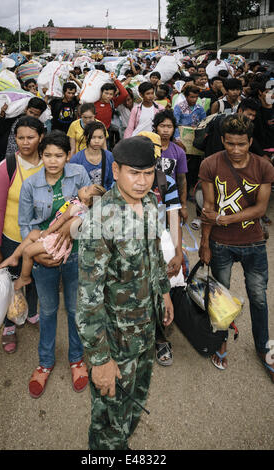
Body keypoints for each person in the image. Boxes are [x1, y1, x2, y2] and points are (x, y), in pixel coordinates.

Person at [76, 136, 174, 450]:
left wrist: (164, 292)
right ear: (116, 171)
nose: (143, 181)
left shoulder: (147, 202)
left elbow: (154, 252)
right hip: (115, 342)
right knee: (108, 419)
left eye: (148, 174)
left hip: (144, 332)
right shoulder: (100, 222)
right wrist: (101, 361)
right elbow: (87, 301)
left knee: (134, 402)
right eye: (135, 173)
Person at [198, 114, 274, 383]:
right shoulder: (210, 164)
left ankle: (263, 347)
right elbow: (208, 208)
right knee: (221, 299)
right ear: (223, 141)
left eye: (241, 144)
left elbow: (260, 209)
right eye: (230, 143)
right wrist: (205, 243)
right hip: (220, 244)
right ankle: (220, 342)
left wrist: (225, 219)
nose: (236, 150)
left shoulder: (264, 167)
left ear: (250, 142)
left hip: (253, 242)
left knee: (259, 298)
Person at [18, 130, 91, 398]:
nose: (52, 160)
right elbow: (25, 223)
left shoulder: (79, 176)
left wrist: (74, 223)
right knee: (47, 311)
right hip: (43, 257)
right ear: (41, 155)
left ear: (67, 156)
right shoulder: (31, 184)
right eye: (47, 155)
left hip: (75, 255)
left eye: (58, 155)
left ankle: (76, 359)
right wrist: (35, 253)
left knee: (74, 309)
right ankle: (45, 362)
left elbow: (90, 210)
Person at [0, 116, 44, 354]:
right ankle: (9, 325)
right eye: (20, 137)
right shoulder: (6, 167)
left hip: (41, 239)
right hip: (12, 239)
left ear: (41, 137)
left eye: (31, 137)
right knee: (12, 283)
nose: (25, 142)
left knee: (36, 280)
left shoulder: (49, 163)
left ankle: (30, 312)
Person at [0, 184, 106, 290]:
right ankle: (14, 257)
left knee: (27, 252)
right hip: (56, 236)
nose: (84, 187)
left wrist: (48, 231)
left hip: (57, 240)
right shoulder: (81, 207)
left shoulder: (76, 207)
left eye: (86, 190)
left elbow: (62, 220)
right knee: (33, 233)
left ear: (87, 201)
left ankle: (24, 278)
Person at [152, 110, 188, 223]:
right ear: (156, 127)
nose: (166, 130)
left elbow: (182, 180)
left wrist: (183, 205)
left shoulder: (179, 152)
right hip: (150, 198)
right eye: (162, 126)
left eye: (169, 126)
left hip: (170, 198)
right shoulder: (147, 148)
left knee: (168, 231)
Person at [70, 121, 114, 191]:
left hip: (104, 197)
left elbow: (110, 181)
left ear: (105, 138)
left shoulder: (109, 157)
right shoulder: (76, 159)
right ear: (86, 137)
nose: (97, 141)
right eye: (93, 137)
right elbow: (73, 185)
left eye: (100, 137)